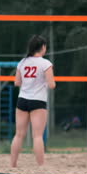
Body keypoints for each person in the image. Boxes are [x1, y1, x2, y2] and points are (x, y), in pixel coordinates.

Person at [11, 35, 56, 167]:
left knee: (19, 135)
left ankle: (13, 165)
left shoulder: (22, 62)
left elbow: (17, 82)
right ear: (42, 47)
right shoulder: (45, 63)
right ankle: (41, 166)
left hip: (22, 99)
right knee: (37, 136)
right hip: (38, 101)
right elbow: (52, 84)